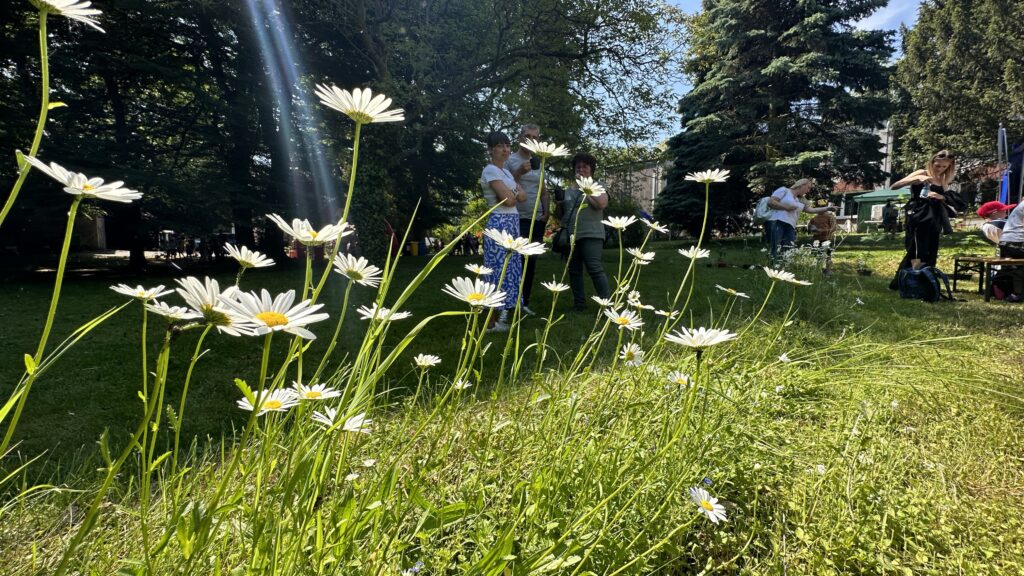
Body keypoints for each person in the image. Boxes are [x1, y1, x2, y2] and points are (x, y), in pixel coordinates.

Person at [480, 131, 527, 332]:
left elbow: (522, 197)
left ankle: (502, 316)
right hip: (499, 223)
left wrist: (513, 194)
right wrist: (514, 194)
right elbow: (508, 200)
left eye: (507, 145)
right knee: (497, 270)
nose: (505, 149)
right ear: (491, 149)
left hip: (512, 222)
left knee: (510, 269)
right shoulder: (490, 171)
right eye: (500, 146)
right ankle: (490, 322)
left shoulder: (506, 173)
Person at [890, 150, 965, 276]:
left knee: (930, 249)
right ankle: (913, 276)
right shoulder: (922, 172)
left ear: (949, 167)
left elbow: (951, 199)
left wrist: (940, 196)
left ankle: (925, 277)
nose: (940, 169)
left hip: (934, 218)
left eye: (944, 167)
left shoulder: (943, 180)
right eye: (937, 165)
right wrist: (915, 179)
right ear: (932, 162)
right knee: (916, 249)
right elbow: (895, 186)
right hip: (918, 215)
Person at [555, 152, 610, 311]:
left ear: (591, 169)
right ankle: (579, 304)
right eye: (578, 166)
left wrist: (585, 188)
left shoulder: (599, 185)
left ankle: (606, 305)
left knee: (594, 267)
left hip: (592, 233)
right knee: (574, 270)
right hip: (571, 235)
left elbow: (601, 204)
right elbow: (561, 216)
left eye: (584, 166)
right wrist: (558, 202)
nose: (581, 169)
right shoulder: (568, 191)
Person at [506, 124, 549, 315]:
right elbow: (505, 186)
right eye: (527, 136)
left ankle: (524, 302)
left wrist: (546, 212)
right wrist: (519, 174)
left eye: (535, 137)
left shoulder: (539, 162)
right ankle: (509, 302)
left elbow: (543, 190)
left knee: (531, 262)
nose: (531, 139)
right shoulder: (510, 160)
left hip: (536, 219)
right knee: (515, 261)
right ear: (520, 138)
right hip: (517, 217)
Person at [765, 178, 836, 261]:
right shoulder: (784, 190)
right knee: (776, 246)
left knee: (788, 248)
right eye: (808, 187)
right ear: (801, 185)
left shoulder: (801, 199)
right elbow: (770, 202)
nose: (808, 190)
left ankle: (784, 268)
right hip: (777, 222)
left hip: (791, 225)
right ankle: (773, 267)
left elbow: (811, 210)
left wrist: (828, 208)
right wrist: (786, 207)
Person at [995, 202, 1024, 301]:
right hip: (1016, 242)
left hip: (1009, 242)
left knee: (1019, 267)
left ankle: (1017, 293)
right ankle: (1017, 294)